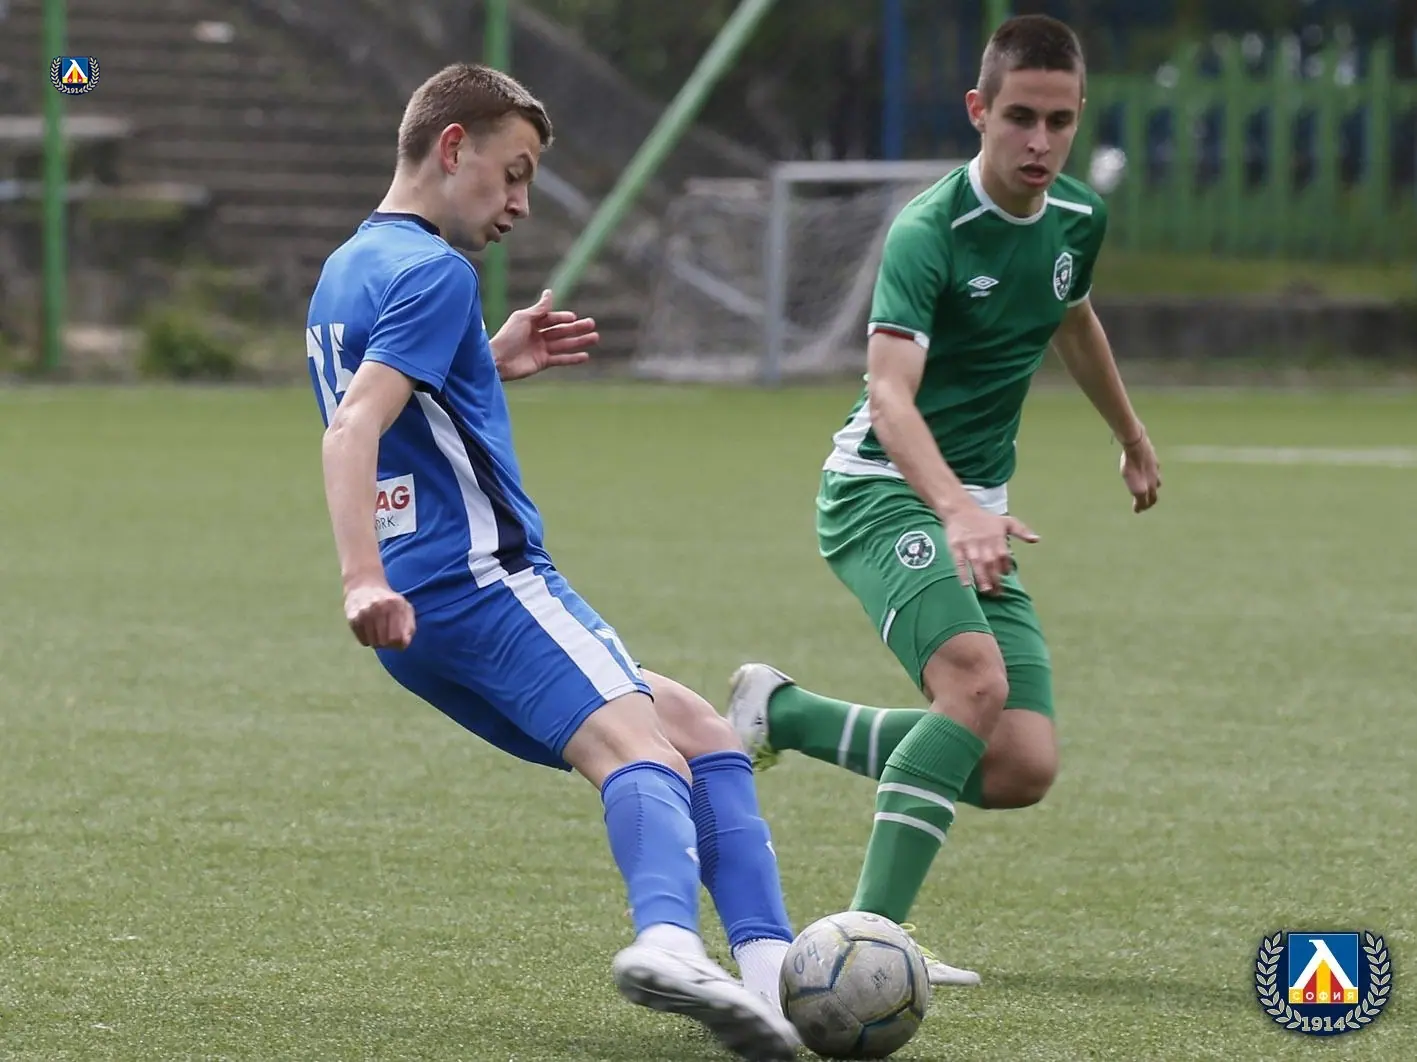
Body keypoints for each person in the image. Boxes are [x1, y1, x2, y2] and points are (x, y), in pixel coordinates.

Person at [305, 63, 799, 1061]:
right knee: (640, 752)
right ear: (454, 148)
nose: (521, 203)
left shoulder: (347, 267)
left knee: (700, 729)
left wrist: (482, 361)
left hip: (422, 615)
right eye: (514, 172)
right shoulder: (437, 272)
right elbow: (352, 427)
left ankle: (771, 975)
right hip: (480, 581)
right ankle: (669, 942)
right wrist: (358, 577)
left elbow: (402, 415)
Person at [725, 14, 1162, 988]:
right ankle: (867, 942)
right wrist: (958, 510)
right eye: (1019, 118)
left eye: (1059, 121)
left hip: (976, 509)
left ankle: (782, 714)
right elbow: (889, 400)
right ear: (978, 111)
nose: (1039, 142)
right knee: (972, 687)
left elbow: (1073, 319)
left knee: (1018, 764)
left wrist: (1128, 433)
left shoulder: (1076, 217)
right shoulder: (927, 232)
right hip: (881, 492)